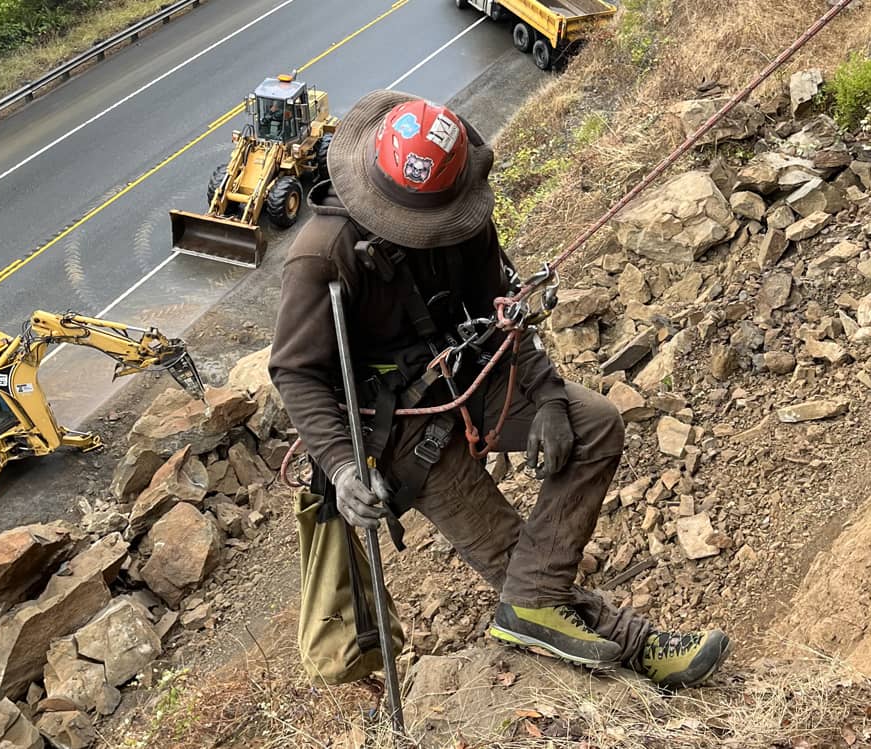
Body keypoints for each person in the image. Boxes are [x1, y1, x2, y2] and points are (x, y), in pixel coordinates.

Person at [268, 90, 730, 687]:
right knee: (519, 562)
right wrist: (341, 467)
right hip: (404, 433)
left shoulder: (462, 217)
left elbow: (502, 309)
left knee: (595, 425)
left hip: (474, 378)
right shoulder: (322, 257)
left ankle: (539, 608)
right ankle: (636, 648)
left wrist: (550, 399)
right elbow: (296, 372)